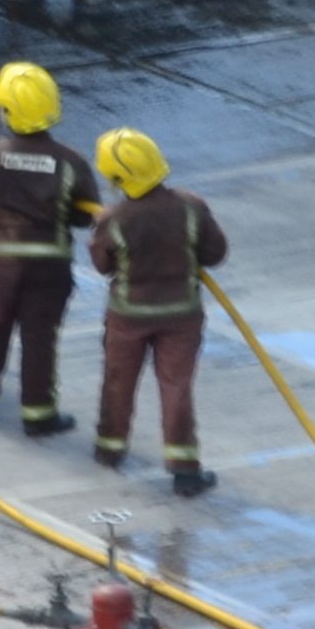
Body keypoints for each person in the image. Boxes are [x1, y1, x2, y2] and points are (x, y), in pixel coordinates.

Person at [86, 125, 226, 495]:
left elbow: (103, 265)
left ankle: (109, 449)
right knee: (176, 388)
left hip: (128, 316)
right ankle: (184, 470)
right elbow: (216, 253)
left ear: (118, 177)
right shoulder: (192, 207)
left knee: (119, 382)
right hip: (181, 316)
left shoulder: (113, 219)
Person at [0, 63, 94, 434]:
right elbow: (84, 217)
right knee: (40, 338)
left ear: (5, 110)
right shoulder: (72, 161)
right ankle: (38, 413)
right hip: (50, 266)